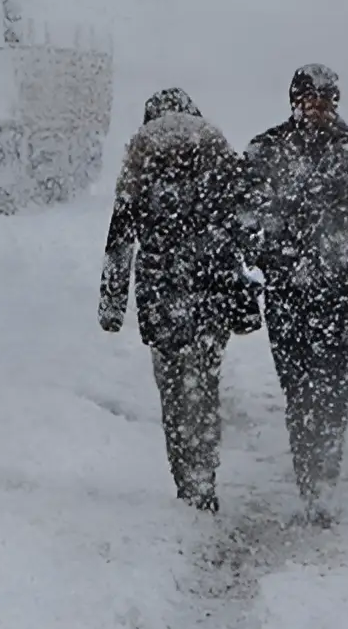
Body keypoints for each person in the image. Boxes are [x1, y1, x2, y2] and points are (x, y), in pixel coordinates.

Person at [238, 63, 348, 521]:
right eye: (309, 98)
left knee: (331, 385)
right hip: (286, 289)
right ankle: (307, 476)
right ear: (293, 100)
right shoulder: (266, 150)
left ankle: (324, 484)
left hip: (337, 289)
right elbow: (239, 210)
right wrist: (261, 253)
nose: (317, 108)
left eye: (326, 99)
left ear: (336, 101)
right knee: (296, 386)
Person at [99, 88, 261, 514]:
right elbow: (243, 220)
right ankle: (204, 473)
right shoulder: (216, 152)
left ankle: (185, 479)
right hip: (210, 286)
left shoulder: (141, 155)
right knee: (203, 383)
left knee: (172, 389)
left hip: (160, 290)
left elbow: (120, 239)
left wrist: (112, 305)